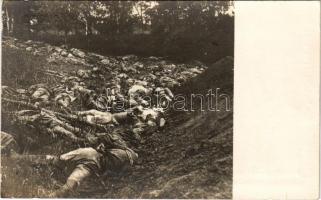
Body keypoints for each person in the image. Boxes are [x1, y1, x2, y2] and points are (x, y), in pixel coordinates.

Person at [47, 132, 138, 197]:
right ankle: (51, 194)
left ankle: (50, 195)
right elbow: (108, 139)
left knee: (69, 179)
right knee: (70, 181)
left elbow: (108, 140)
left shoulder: (126, 153)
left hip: (93, 162)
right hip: (94, 164)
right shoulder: (128, 153)